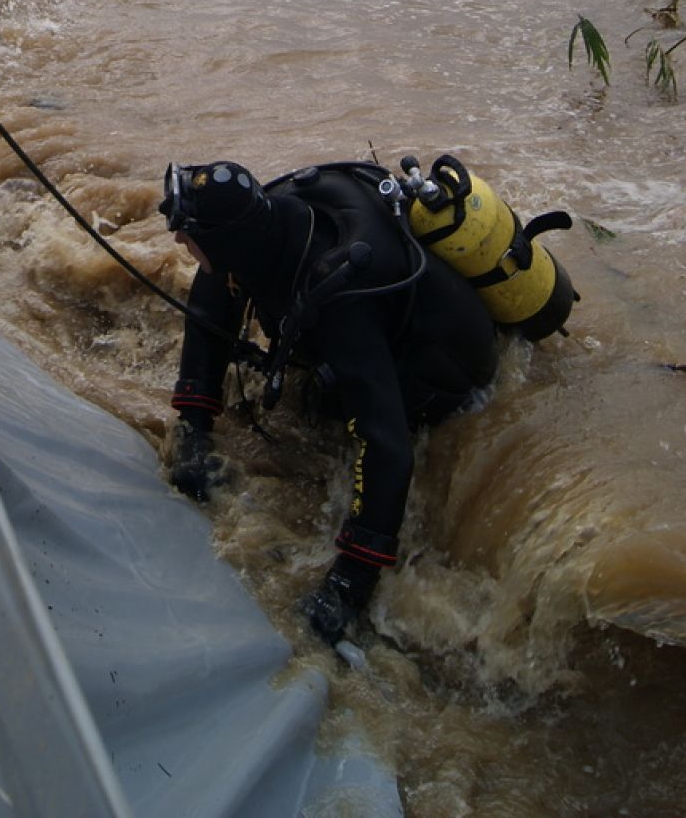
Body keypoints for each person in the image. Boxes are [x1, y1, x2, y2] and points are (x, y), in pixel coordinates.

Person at [160, 158, 497, 646]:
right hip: (383, 321)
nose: (177, 243)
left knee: (346, 412)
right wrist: (194, 427)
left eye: (186, 234)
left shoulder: (340, 294)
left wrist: (349, 583)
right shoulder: (260, 220)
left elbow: (386, 444)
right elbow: (213, 298)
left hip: (444, 367)